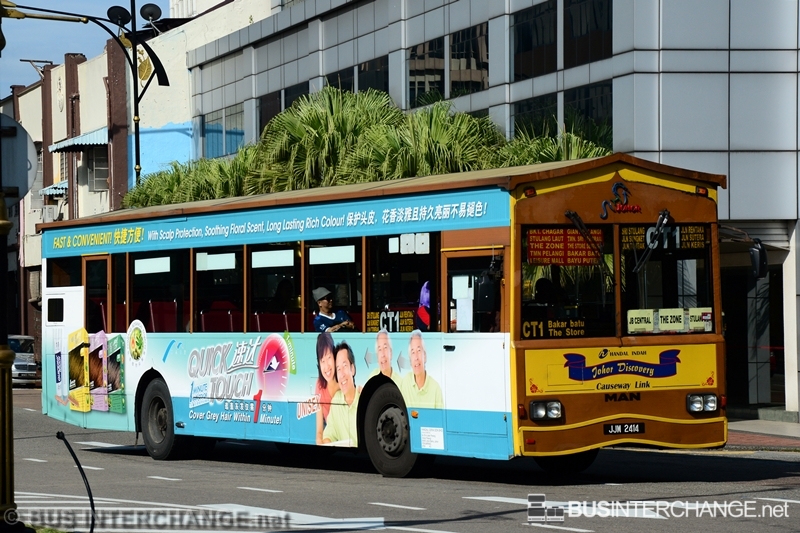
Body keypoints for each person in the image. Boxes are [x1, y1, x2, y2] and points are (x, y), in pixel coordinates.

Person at [322, 341, 359, 446]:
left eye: (345, 366)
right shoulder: (336, 401)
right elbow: (329, 434)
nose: (342, 374)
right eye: (338, 369)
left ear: (353, 369)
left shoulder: (364, 400)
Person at [399, 330, 443, 409]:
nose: (416, 357)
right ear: (410, 361)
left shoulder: (436, 389)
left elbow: (439, 420)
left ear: (425, 356)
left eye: (419, 351)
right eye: (413, 352)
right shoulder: (405, 384)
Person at [315, 332, 339, 444]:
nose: (327, 366)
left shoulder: (344, 381)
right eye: (322, 361)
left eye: (329, 357)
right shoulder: (320, 386)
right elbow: (319, 431)